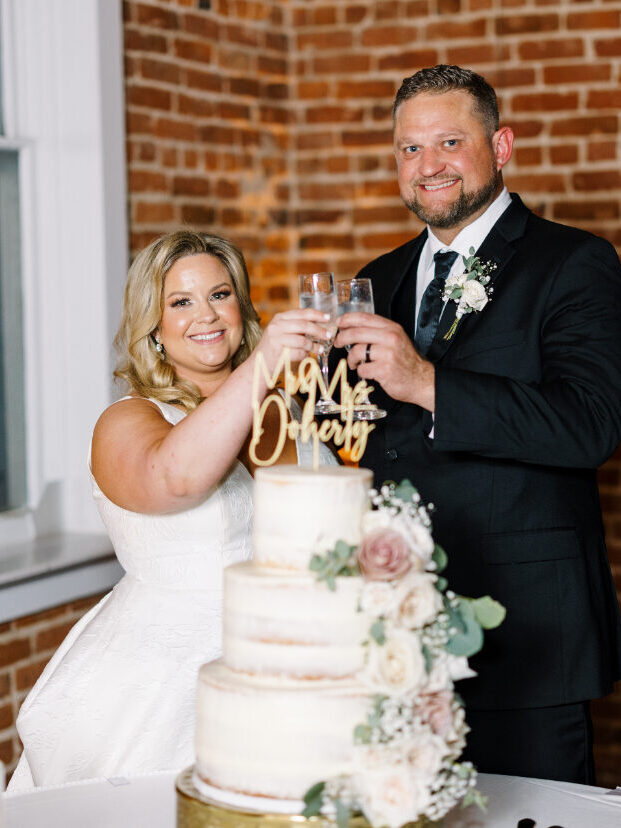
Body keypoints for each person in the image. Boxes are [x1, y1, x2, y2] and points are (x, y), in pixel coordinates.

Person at [335, 64, 621, 784]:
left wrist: (425, 381)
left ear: (500, 147)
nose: (426, 166)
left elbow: (590, 423)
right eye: (408, 149)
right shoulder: (380, 275)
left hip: (528, 635)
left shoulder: (574, 262)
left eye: (448, 142)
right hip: (400, 634)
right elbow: (359, 435)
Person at [9, 230, 338, 789]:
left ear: (242, 306)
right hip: (171, 681)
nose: (205, 314)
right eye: (180, 302)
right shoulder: (128, 420)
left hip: (303, 653)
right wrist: (263, 365)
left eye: (220, 294)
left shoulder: (292, 408)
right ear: (152, 327)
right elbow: (177, 477)